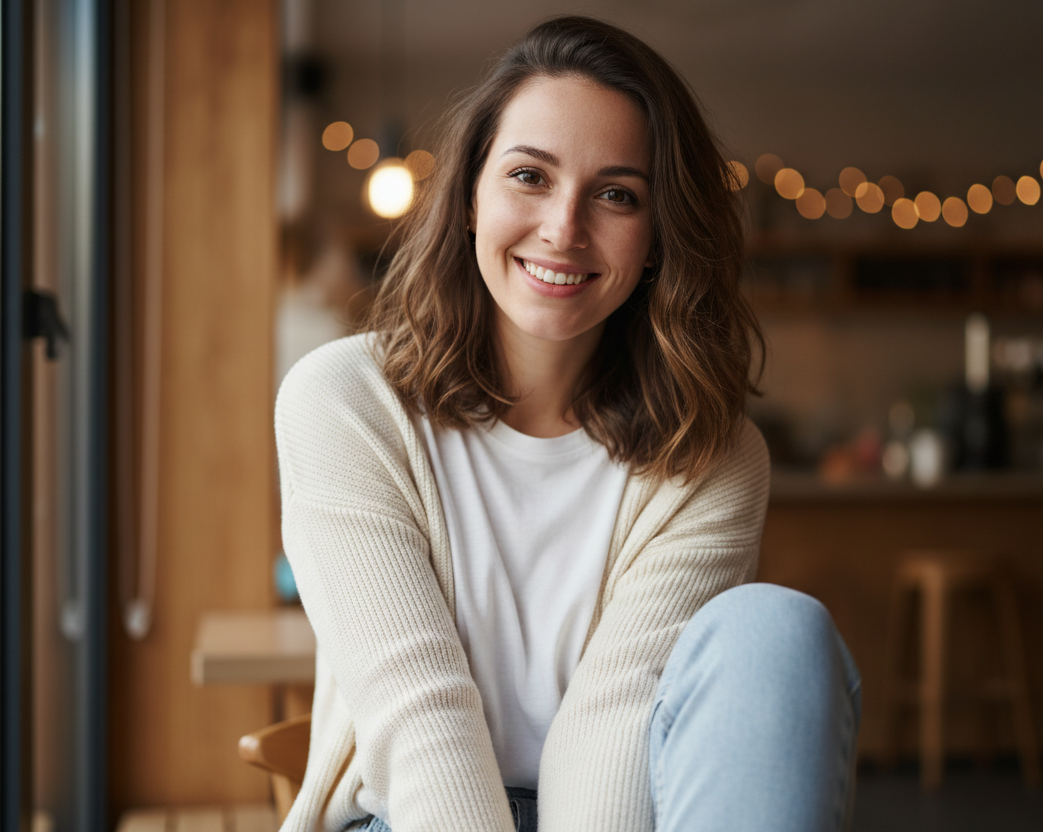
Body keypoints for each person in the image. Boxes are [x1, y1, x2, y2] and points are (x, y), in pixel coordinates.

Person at [275, 15, 860, 832]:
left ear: (657, 239)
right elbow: (422, 716)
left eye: (617, 194)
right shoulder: (343, 400)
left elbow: (614, 723)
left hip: (622, 813)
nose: (564, 228)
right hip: (414, 817)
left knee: (778, 629)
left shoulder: (714, 455)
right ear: (471, 197)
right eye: (530, 176)